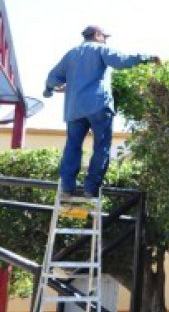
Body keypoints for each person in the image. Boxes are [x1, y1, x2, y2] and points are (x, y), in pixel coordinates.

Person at [44, 25, 160, 198]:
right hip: (98, 105)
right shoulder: (100, 49)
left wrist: (50, 90)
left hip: (74, 109)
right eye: (104, 36)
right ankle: (90, 189)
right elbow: (121, 60)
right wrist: (147, 58)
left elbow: (52, 77)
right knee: (101, 147)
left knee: (72, 146)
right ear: (97, 35)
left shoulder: (71, 54)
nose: (106, 40)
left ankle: (67, 187)